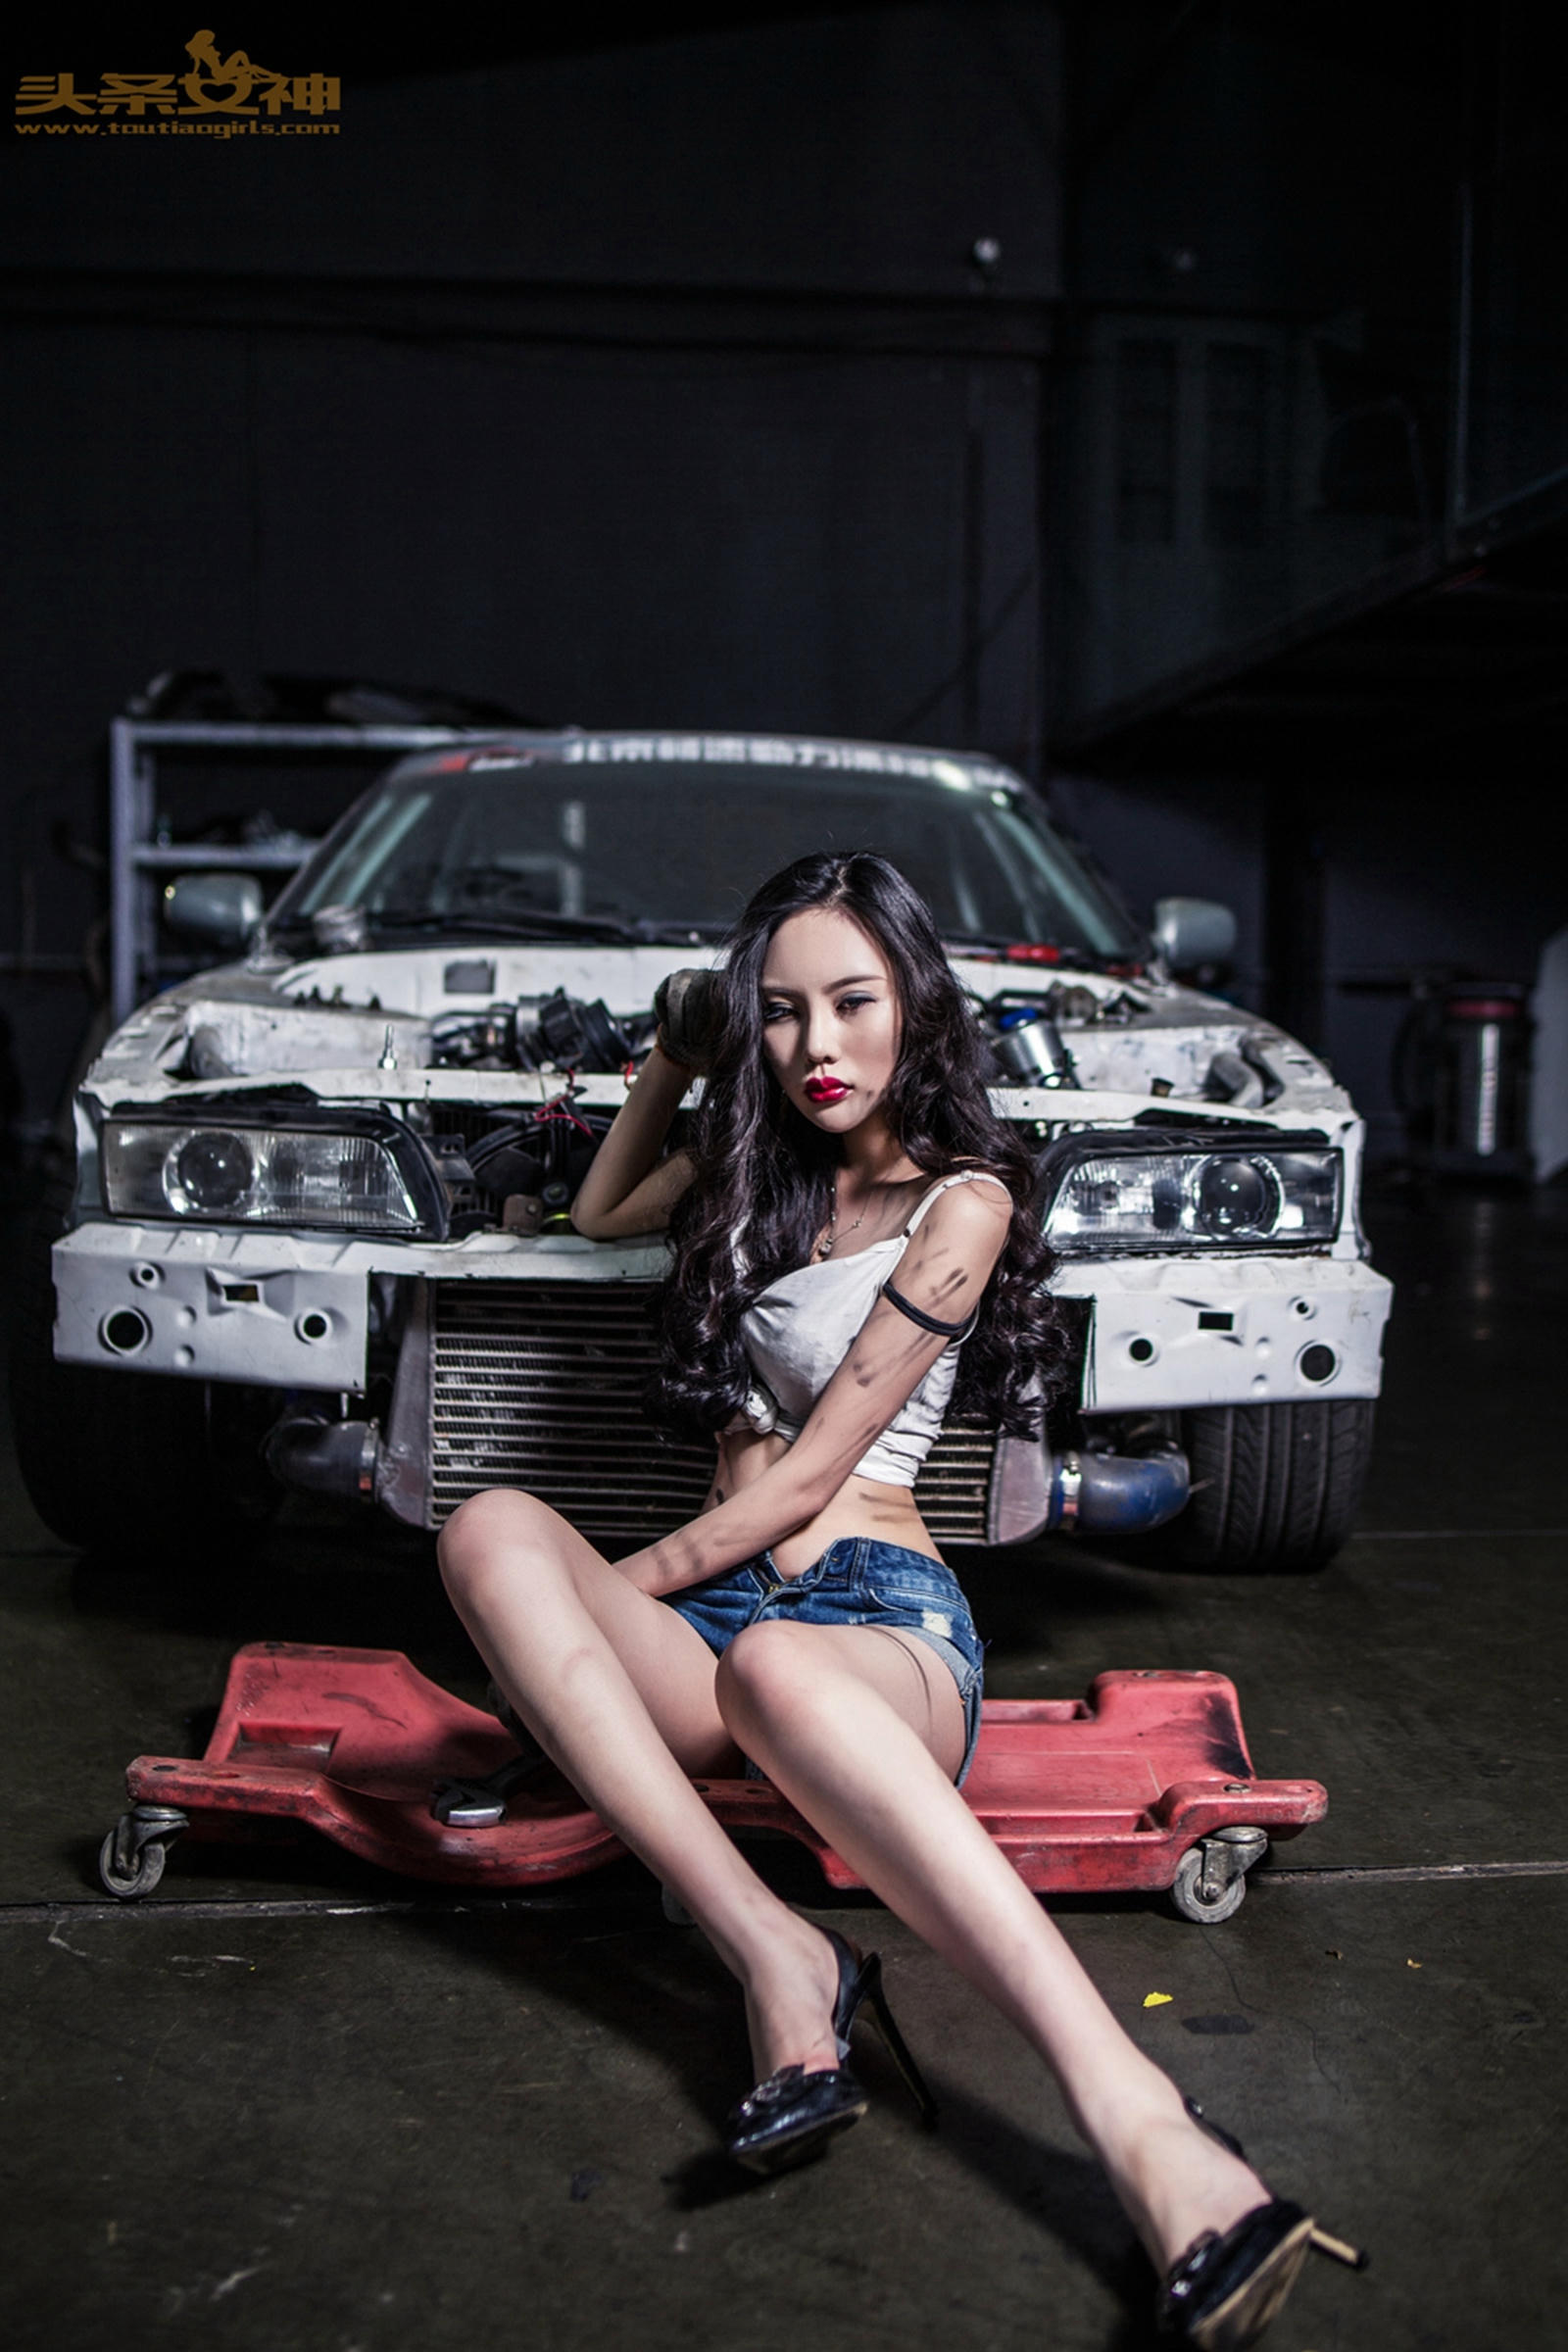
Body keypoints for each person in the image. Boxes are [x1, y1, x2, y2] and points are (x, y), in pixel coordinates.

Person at [438, 852, 1359, 2349]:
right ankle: (777, 1954)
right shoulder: (748, 1178)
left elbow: (807, 1481)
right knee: (489, 1533)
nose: (817, 1045)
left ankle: (1146, 2122)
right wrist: (676, 1052)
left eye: (853, 1002)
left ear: (916, 1007)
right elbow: (600, 1212)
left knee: (778, 1668)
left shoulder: (960, 1202)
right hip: (723, 1633)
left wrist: (593, 1610)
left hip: (877, 1622)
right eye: (782, 1010)